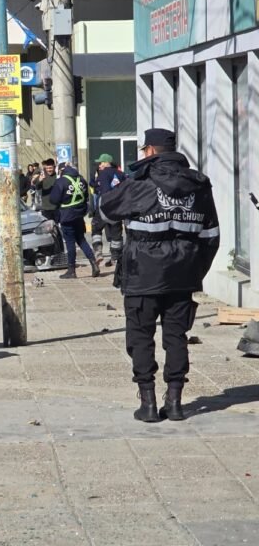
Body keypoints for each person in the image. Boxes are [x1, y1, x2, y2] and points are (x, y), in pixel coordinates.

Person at [99, 128, 219, 423]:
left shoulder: (140, 183)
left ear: (150, 151)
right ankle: (175, 402)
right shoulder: (199, 185)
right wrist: (194, 270)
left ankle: (149, 403)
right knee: (176, 336)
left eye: (143, 150)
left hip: (143, 275)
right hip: (183, 275)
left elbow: (105, 210)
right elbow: (212, 235)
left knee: (141, 337)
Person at [49, 163, 100, 279]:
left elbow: (53, 200)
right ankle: (94, 263)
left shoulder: (61, 182)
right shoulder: (81, 179)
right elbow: (86, 196)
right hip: (79, 215)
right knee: (81, 240)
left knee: (70, 243)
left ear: (61, 170)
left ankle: (71, 270)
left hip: (66, 216)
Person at [89, 154, 125, 267]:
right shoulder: (121, 174)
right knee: (116, 234)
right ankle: (115, 258)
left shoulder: (104, 173)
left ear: (106, 162)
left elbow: (104, 190)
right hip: (118, 208)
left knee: (96, 228)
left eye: (101, 163)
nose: (99, 165)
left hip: (104, 206)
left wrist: (95, 184)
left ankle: (98, 252)